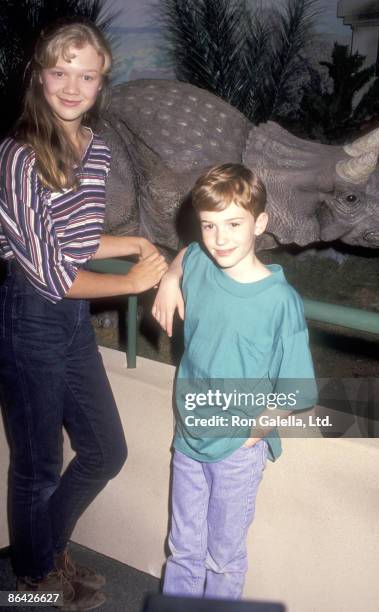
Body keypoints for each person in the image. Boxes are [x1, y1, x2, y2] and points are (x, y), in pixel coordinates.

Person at [0, 19, 167, 610]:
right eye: (59, 71)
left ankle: (44, 548)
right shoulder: (19, 155)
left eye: (86, 75)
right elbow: (49, 270)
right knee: (39, 464)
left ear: (102, 81)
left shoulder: (92, 147)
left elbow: (77, 237)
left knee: (104, 451)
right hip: (31, 316)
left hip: (69, 323)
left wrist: (134, 246)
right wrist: (133, 287)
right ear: (39, 75)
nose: (72, 87)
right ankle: (32, 582)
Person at [152, 163, 317, 599]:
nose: (220, 238)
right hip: (188, 438)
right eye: (209, 225)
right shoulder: (202, 262)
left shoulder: (279, 302)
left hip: (237, 452)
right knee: (183, 549)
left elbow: (300, 389)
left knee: (222, 559)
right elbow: (188, 252)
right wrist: (170, 278)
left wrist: (254, 432)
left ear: (259, 223)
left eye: (233, 224)